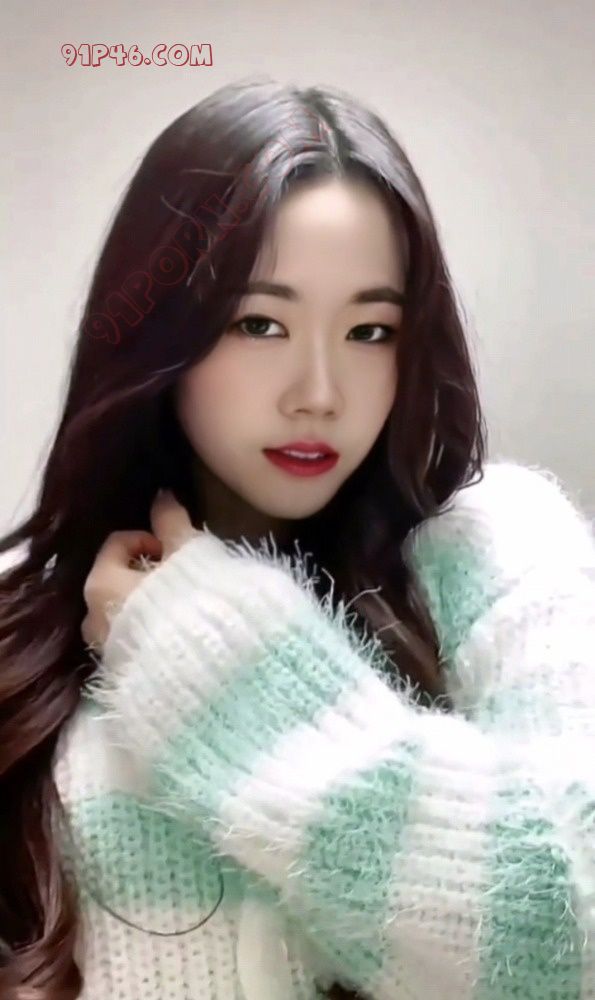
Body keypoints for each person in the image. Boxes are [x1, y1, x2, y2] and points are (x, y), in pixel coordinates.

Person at [0, 77, 593, 1000]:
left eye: (369, 330)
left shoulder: (502, 556)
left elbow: (566, 932)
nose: (317, 392)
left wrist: (208, 659)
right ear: (161, 334)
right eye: (260, 323)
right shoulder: (21, 646)